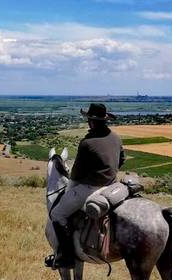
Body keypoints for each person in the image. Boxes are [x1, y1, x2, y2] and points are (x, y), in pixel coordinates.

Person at [49, 102, 125, 268]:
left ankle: (66, 256)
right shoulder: (115, 137)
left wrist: (72, 184)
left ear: (91, 121)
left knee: (57, 215)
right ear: (105, 121)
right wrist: (109, 173)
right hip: (112, 185)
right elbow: (122, 160)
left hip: (91, 188)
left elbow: (76, 173)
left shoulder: (87, 142)